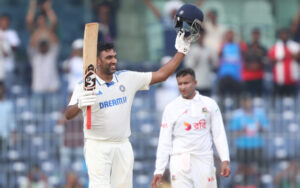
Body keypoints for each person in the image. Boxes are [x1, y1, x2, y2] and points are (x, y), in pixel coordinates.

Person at [64, 26, 194, 188]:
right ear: (97, 61)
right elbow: (68, 114)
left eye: (114, 57)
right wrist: (80, 103)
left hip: (123, 144)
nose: (114, 61)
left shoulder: (126, 78)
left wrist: (182, 50)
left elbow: (162, 74)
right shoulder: (85, 85)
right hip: (97, 145)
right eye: (108, 58)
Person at [152, 68, 230, 188]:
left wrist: (225, 159)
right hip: (179, 160)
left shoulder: (209, 104)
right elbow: (164, 141)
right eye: (180, 84)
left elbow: (218, 133)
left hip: (204, 159)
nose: (183, 87)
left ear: (195, 83)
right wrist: (159, 170)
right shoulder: (171, 108)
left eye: (186, 83)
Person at [229, 96, 269, 187]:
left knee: (259, 170)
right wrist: (243, 131)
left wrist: (260, 128)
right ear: (242, 103)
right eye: (245, 102)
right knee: (243, 169)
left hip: (257, 146)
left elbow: (266, 129)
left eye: (249, 101)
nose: (247, 104)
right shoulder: (237, 115)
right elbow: (233, 133)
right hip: (242, 147)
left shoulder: (259, 113)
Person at [184, 30, 218, 96]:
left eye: (202, 35)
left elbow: (216, 65)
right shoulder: (192, 49)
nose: (200, 38)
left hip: (207, 83)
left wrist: (211, 61)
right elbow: (187, 66)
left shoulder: (210, 50)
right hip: (196, 83)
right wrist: (195, 61)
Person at [268, 28, 300, 97]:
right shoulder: (275, 47)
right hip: (279, 80)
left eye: (285, 34)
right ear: (279, 36)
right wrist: (280, 58)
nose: (284, 36)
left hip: (293, 80)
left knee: (293, 101)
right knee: (279, 101)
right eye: (282, 34)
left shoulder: (296, 46)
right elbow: (270, 61)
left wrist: (295, 56)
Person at [243, 28, 267, 96]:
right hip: (248, 77)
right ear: (252, 36)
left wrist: (258, 66)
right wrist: (250, 66)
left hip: (259, 76)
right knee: (247, 97)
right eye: (254, 34)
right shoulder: (247, 48)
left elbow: (265, 61)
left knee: (258, 98)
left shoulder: (263, 49)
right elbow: (243, 61)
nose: (256, 36)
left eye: (257, 34)